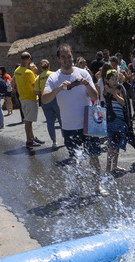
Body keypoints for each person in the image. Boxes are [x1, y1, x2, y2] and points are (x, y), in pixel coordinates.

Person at [42, 44, 106, 196]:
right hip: (69, 125)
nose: (67, 59)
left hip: (88, 123)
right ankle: (81, 186)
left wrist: (85, 84)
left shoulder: (83, 73)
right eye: (63, 57)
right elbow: (44, 99)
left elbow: (95, 96)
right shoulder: (54, 78)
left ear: (72, 56)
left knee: (93, 156)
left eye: (69, 56)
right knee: (76, 158)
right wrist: (58, 89)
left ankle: (98, 185)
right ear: (58, 59)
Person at [101, 69, 132, 175]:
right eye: (112, 79)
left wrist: (115, 93)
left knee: (117, 144)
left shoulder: (120, 89)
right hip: (111, 121)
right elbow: (106, 95)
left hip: (120, 120)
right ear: (107, 80)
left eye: (116, 79)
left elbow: (124, 103)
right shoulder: (106, 90)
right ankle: (107, 168)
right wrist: (114, 93)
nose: (115, 81)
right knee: (112, 145)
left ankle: (115, 165)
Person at [14, 51, 43, 148]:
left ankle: (32, 137)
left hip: (22, 98)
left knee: (28, 119)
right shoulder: (29, 72)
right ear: (28, 60)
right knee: (28, 121)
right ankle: (28, 140)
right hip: (30, 98)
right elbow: (36, 84)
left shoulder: (17, 70)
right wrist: (35, 73)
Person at [36, 59, 61, 149]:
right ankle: (65, 137)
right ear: (49, 66)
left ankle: (54, 141)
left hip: (45, 100)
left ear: (41, 68)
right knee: (61, 118)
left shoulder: (38, 78)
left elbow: (36, 92)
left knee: (50, 121)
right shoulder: (54, 74)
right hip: (55, 98)